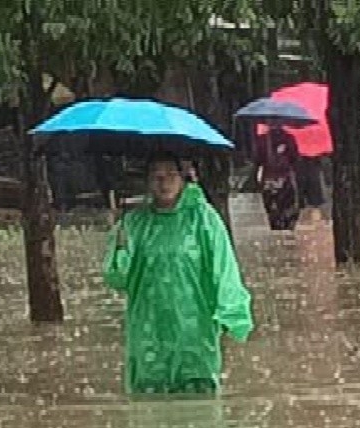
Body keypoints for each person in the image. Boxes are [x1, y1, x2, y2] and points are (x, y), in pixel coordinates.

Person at [102, 156, 254, 395]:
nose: (164, 183)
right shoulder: (134, 223)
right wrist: (120, 248)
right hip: (149, 327)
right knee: (150, 398)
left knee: (198, 393)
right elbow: (118, 279)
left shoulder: (203, 219)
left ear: (183, 179)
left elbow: (224, 268)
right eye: (157, 177)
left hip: (195, 325)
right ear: (148, 182)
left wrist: (232, 311)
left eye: (171, 176)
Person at [254, 126, 300, 230]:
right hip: (284, 175)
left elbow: (257, 159)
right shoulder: (289, 138)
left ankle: (275, 224)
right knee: (286, 201)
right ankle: (286, 224)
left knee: (270, 201)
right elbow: (295, 158)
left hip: (268, 176)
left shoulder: (262, 139)